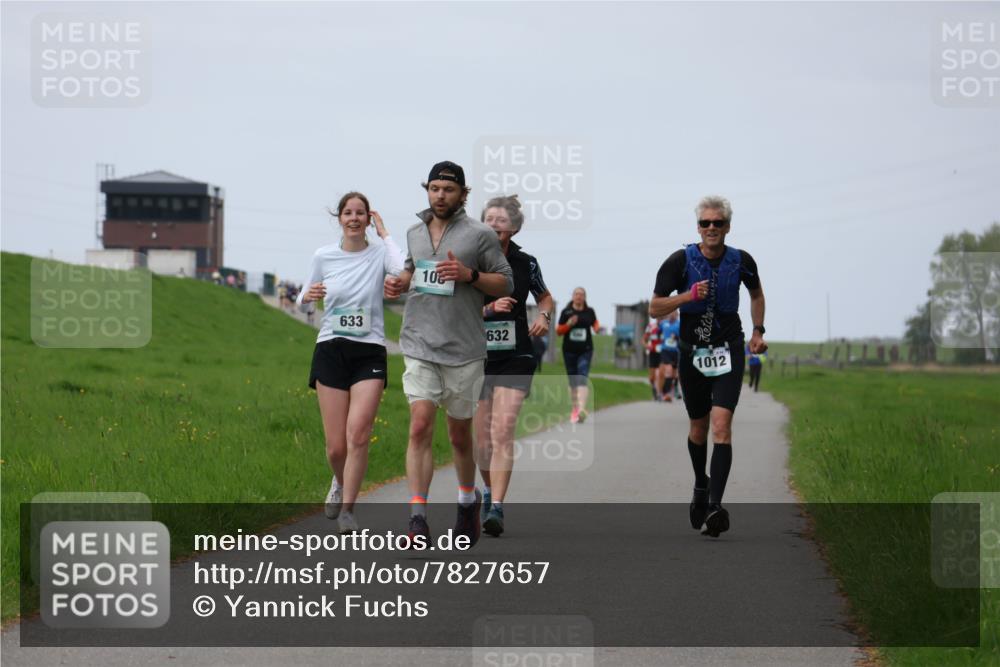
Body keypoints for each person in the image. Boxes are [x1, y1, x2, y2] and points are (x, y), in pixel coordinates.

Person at [383, 161, 513, 547]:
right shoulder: (413, 232)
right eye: (434, 188)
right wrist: (398, 284)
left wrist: (470, 276)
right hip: (420, 342)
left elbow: (505, 281)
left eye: (448, 189)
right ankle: (418, 518)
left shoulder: (480, 234)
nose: (440, 195)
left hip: (464, 349)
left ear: (462, 194)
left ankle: (465, 502)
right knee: (420, 424)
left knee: (459, 436)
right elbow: (412, 272)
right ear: (427, 190)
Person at [649, 195, 767, 538]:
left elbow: (757, 295)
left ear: (728, 226)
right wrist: (687, 297)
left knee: (721, 426)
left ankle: (715, 506)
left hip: (729, 351)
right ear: (697, 227)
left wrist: (758, 331)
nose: (711, 228)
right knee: (698, 428)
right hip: (692, 354)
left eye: (718, 223)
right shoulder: (680, 261)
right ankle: (701, 484)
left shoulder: (742, 261)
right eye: (705, 223)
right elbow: (655, 307)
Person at [298, 192, 404, 535]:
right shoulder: (323, 256)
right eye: (348, 213)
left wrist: (386, 233)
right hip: (331, 348)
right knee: (336, 446)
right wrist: (308, 298)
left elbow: (401, 270)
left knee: (358, 434)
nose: (354, 218)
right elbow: (303, 299)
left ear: (368, 220)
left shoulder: (377, 254)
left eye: (361, 213)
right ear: (339, 218)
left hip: (370, 350)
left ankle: (348, 511)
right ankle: (339, 480)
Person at [475, 195, 553, 537]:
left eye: (501, 220)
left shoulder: (526, 262)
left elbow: (544, 296)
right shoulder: (468, 262)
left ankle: (497, 507)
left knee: (503, 430)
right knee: (481, 442)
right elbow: (451, 310)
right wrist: (488, 312)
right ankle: (488, 490)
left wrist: (545, 315)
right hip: (475, 357)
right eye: (488, 219)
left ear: (514, 227)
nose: (494, 224)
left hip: (517, 355)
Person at [556, 288, 600, 423]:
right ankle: (575, 409)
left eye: (581, 295)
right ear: (573, 296)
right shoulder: (566, 312)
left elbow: (595, 323)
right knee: (573, 380)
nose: (579, 297)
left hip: (585, 349)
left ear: (585, 297)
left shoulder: (589, 311)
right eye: (576, 294)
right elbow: (559, 331)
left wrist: (597, 328)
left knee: (582, 376)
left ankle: (581, 409)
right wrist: (569, 324)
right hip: (569, 350)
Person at [659, 310, 681, 401]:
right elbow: (658, 332)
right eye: (670, 313)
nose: (672, 315)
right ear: (668, 314)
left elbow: (683, 337)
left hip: (675, 351)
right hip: (665, 351)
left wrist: (675, 337)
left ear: (677, 315)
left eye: (674, 314)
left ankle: (675, 390)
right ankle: (665, 393)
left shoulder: (679, 324)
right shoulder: (663, 323)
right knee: (669, 370)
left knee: (675, 374)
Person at [642, 317, 664, 401]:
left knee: (661, 374)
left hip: (662, 353)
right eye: (659, 317)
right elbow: (644, 340)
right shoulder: (650, 326)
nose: (660, 319)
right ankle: (654, 389)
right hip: (652, 353)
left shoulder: (665, 326)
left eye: (661, 317)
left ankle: (660, 393)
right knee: (652, 377)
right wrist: (647, 345)